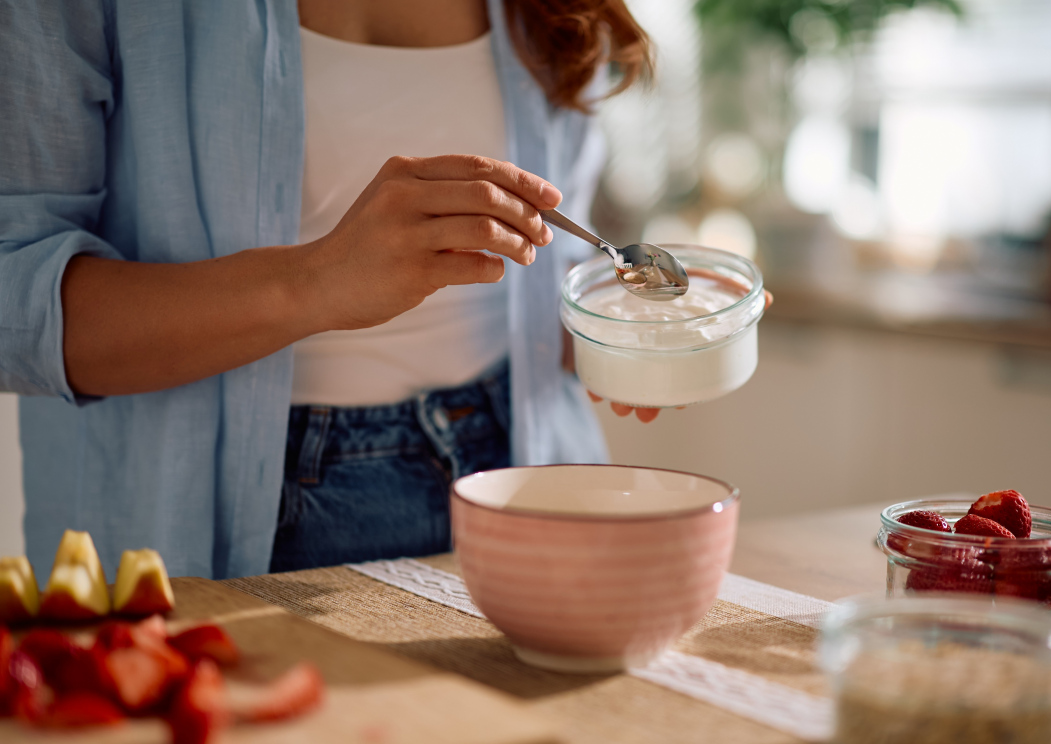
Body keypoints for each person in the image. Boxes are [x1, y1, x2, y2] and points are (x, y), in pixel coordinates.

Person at [0, 0, 653, 581]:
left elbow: (552, 260)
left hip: (530, 487)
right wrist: (315, 282)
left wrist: (623, 330)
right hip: (215, 533)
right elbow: (15, 300)